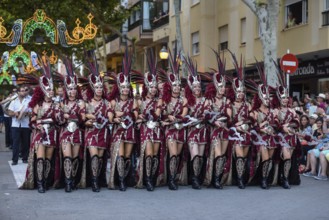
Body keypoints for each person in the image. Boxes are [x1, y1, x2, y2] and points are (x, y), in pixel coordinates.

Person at [20, 58, 61, 193]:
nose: (51, 92)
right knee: (40, 159)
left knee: (49, 159)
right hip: (40, 134)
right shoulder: (38, 105)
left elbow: (59, 121)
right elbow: (32, 120)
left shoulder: (57, 105)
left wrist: (60, 115)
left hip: (52, 133)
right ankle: (40, 183)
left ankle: (46, 180)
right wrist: (37, 124)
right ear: (43, 91)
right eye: (48, 90)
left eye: (52, 90)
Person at [108, 51, 138, 191]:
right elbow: (110, 118)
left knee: (127, 156)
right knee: (120, 155)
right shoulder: (113, 102)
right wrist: (115, 116)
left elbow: (136, 117)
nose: (125, 89)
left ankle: (125, 178)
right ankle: (119, 180)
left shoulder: (134, 102)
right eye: (123, 87)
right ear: (119, 88)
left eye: (127, 87)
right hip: (119, 131)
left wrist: (126, 113)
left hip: (130, 131)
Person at [203, 51, 232, 189]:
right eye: (220, 87)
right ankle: (212, 179)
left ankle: (218, 178)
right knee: (218, 154)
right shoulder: (210, 100)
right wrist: (214, 121)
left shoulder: (227, 100)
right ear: (215, 87)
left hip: (225, 130)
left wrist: (227, 114)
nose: (222, 89)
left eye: (223, 87)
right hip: (214, 130)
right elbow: (205, 115)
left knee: (222, 156)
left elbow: (229, 116)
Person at [160, 51, 188, 190]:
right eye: (174, 85)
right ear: (170, 86)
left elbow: (184, 114)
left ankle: (174, 176)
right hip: (170, 130)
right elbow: (161, 114)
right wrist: (167, 117)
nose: (177, 87)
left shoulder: (184, 100)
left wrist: (174, 118)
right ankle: (170, 179)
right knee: (173, 153)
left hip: (180, 129)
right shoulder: (164, 100)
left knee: (177, 155)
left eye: (178, 85)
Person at [135, 51, 162, 191]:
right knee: (149, 154)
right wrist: (141, 117)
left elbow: (156, 115)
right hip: (146, 129)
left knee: (155, 155)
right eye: (150, 87)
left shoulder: (160, 100)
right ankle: (146, 179)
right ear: (147, 87)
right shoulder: (140, 101)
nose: (153, 89)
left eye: (154, 86)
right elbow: (137, 116)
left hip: (156, 128)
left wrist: (144, 116)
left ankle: (152, 177)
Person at [82, 52, 109, 192]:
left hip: (103, 132)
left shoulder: (106, 102)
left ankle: (98, 178)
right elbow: (83, 118)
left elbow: (110, 117)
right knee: (93, 156)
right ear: (93, 88)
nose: (99, 89)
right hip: (92, 132)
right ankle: (94, 182)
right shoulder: (86, 103)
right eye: (96, 87)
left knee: (99, 158)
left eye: (100, 87)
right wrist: (92, 118)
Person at [58, 58, 85, 192]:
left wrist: (70, 116)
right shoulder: (62, 103)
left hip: (77, 133)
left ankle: (73, 180)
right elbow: (59, 119)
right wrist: (63, 116)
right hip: (65, 133)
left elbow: (83, 118)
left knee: (74, 158)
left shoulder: (81, 103)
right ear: (66, 90)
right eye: (69, 89)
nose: (72, 91)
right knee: (67, 157)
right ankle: (68, 182)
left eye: (74, 89)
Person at [249, 65, 277, 189]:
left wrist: (274, 128)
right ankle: (263, 180)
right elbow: (252, 128)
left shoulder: (273, 112)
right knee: (265, 158)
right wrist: (261, 127)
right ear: (260, 98)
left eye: (269, 97)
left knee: (269, 160)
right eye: (265, 97)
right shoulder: (254, 112)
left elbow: (277, 125)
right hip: (260, 139)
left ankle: (264, 177)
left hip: (271, 138)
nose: (267, 99)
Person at [183, 56, 209, 190]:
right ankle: (194, 180)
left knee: (201, 155)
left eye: (199, 86)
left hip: (203, 130)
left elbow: (210, 115)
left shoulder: (206, 101)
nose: (197, 88)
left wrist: (206, 116)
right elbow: (183, 116)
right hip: (193, 130)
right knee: (195, 154)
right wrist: (190, 119)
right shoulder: (187, 101)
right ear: (191, 88)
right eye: (195, 86)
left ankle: (198, 177)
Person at [228, 53, 252, 189]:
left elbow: (251, 119)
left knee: (244, 157)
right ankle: (239, 179)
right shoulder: (230, 105)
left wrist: (246, 124)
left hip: (246, 134)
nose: (241, 93)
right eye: (238, 91)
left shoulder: (247, 105)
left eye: (242, 91)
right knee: (239, 155)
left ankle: (242, 177)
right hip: (235, 134)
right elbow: (229, 121)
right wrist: (236, 125)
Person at [274, 69, 300, 189]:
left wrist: (289, 126)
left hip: (292, 137)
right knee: (286, 156)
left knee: (289, 159)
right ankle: (284, 180)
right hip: (280, 137)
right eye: (282, 97)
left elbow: (297, 122)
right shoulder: (275, 111)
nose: (285, 99)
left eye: (286, 97)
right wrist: (282, 127)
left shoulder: (292, 110)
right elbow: (274, 123)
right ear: (279, 97)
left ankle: (284, 177)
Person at [7, 85, 31, 165]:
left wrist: (26, 113)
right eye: (21, 91)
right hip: (15, 125)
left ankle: (25, 158)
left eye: (24, 90)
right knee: (15, 143)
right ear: (18, 92)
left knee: (25, 143)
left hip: (25, 124)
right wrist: (15, 113)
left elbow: (32, 112)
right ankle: (15, 160)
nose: (23, 92)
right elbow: (9, 112)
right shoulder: (14, 101)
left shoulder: (28, 100)